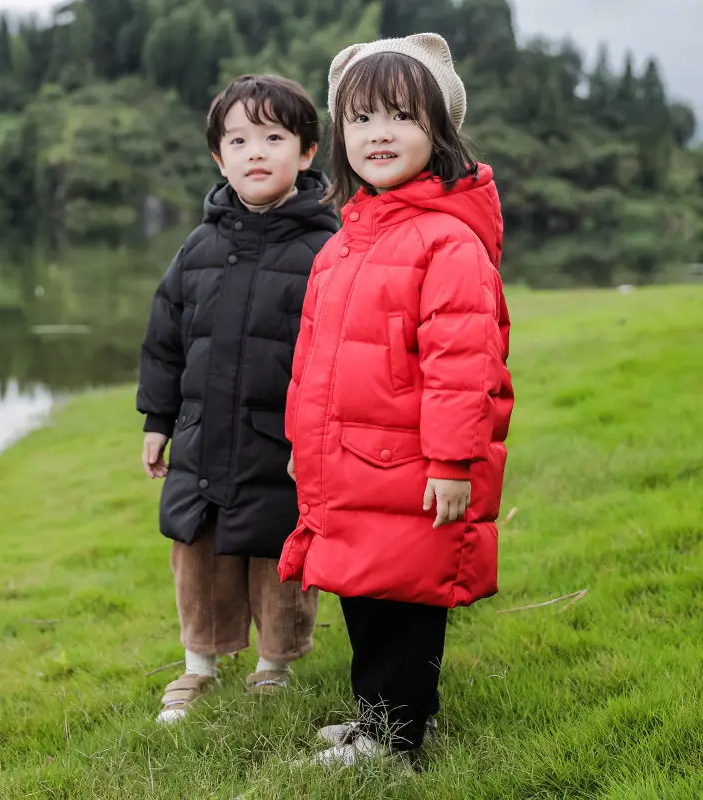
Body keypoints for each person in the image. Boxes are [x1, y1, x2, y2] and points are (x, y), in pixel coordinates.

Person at [279, 34, 514, 765]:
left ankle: (398, 736)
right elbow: (312, 364)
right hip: (350, 463)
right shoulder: (345, 242)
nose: (378, 134)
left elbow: (463, 363)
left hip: (411, 467)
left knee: (404, 602)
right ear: (340, 134)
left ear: (438, 131)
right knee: (364, 592)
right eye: (361, 118)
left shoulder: (446, 241)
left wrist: (451, 460)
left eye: (400, 117)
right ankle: (379, 716)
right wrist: (303, 453)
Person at [138, 74, 338, 725]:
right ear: (219, 158)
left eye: (274, 137)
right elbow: (165, 338)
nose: (256, 151)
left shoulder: (323, 249)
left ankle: (273, 670)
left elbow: (338, 354)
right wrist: (158, 419)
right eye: (239, 139)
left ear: (306, 152)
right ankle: (199, 668)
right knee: (196, 549)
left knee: (278, 556)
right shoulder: (199, 247)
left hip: (281, 444)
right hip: (202, 433)